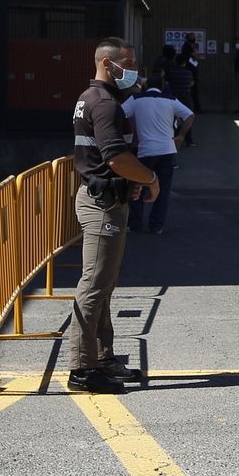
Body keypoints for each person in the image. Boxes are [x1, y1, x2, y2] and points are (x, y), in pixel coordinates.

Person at [66, 37, 161, 393]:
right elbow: (115, 157)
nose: (133, 69)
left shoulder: (89, 99)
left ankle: (101, 358)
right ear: (108, 64)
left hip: (107, 197)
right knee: (93, 285)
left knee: (104, 284)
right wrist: (150, 179)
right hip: (102, 204)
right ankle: (81, 368)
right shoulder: (104, 104)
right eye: (128, 62)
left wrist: (128, 183)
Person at [121, 77, 194, 235]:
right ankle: (156, 225)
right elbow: (189, 115)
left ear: (145, 85)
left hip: (145, 151)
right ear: (163, 86)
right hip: (167, 150)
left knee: (137, 187)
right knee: (163, 189)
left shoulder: (136, 100)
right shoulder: (171, 100)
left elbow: (119, 114)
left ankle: (135, 224)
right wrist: (180, 136)